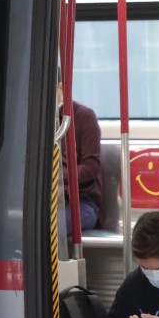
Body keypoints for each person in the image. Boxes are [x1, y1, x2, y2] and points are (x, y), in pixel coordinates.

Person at [59, 81, 104, 233]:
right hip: (46, 201)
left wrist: (56, 175)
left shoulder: (84, 117)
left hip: (81, 201)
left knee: (47, 224)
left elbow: (91, 168)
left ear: (61, 88)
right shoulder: (34, 120)